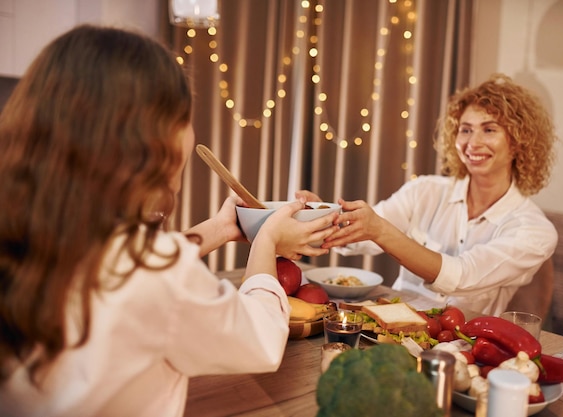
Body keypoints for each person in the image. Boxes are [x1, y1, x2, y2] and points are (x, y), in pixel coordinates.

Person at [0, 25, 338, 417]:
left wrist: (220, 228)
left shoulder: (26, 234)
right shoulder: (152, 275)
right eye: (183, 117)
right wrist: (266, 239)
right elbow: (258, 341)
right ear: (148, 139)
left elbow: (134, 261)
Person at [297, 73, 558, 316]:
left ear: (518, 142)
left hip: (465, 346)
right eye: (465, 130)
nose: (472, 143)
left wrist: (380, 230)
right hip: (394, 327)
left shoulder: (534, 231)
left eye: (489, 130)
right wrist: (323, 215)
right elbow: (359, 238)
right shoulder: (425, 191)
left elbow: (461, 276)